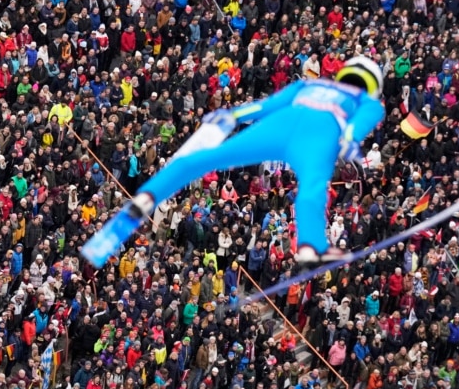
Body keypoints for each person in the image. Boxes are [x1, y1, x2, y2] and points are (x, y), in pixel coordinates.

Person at [83, 57, 385, 266]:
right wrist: (348, 139)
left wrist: (232, 115)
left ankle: (148, 195)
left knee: (213, 157)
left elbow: (265, 106)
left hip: (281, 123)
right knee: (312, 188)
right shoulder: (368, 102)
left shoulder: (308, 85)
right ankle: (309, 245)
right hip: (317, 135)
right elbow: (359, 124)